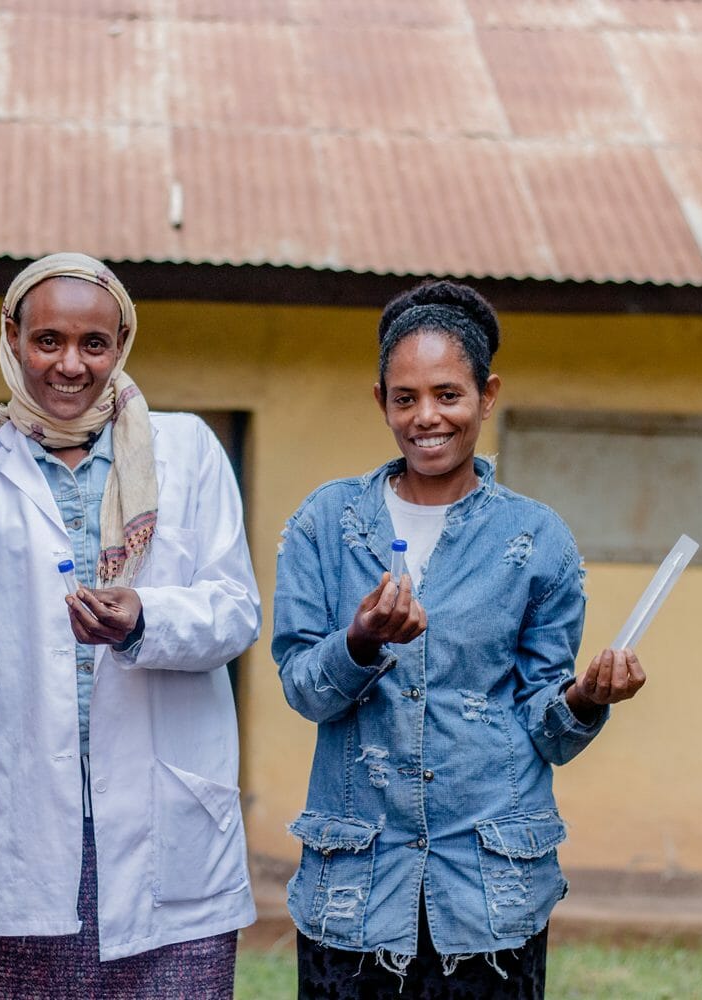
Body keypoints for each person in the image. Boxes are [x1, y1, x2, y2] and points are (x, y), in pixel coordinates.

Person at [0, 252, 260, 999]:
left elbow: (235, 611)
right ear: (13, 337)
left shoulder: (186, 452)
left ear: (121, 343)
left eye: (93, 344)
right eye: (47, 340)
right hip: (38, 827)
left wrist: (142, 618)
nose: (69, 364)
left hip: (168, 823)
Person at [273, 280, 646, 998]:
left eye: (449, 394)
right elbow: (301, 688)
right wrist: (359, 640)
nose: (427, 417)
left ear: (488, 393)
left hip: (489, 889)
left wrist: (584, 698)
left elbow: (548, 731)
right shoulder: (327, 523)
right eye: (405, 397)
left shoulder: (536, 541)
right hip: (354, 887)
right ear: (379, 400)